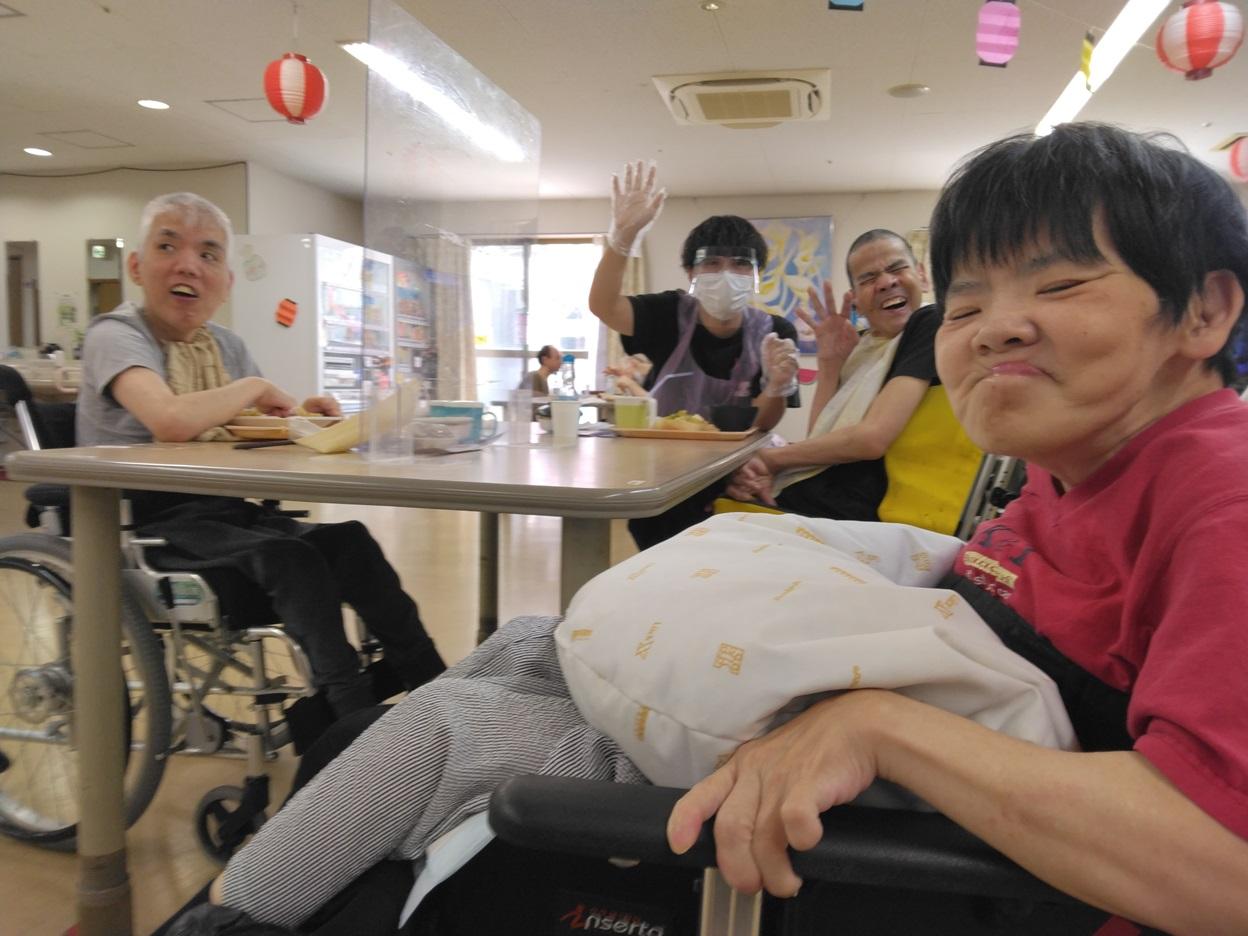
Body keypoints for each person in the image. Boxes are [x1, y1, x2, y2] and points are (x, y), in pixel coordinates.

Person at [171, 124, 1248, 936]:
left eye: (1060, 284)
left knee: (441, 742)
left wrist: (880, 726)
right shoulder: (1077, 476)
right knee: (522, 645)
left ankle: (234, 915)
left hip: (916, 854)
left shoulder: (1221, 495)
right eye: (966, 307)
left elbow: (1222, 862)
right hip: (894, 730)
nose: (997, 327)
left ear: (1204, 311)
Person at [79, 192, 445, 721]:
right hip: (148, 519)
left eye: (208, 254)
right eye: (168, 246)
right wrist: (254, 388)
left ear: (226, 280)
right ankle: (346, 712)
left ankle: (434, 685)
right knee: (292, 559)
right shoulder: (117, 335)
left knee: (351, 543)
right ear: (137, 266)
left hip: (221, 510)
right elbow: (172, 420)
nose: (188, 265)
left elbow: (248, 422)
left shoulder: (222, 345)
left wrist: (307, 418)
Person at [587, 161, 801, 546]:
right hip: (666, 481)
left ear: (756, 275)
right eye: (712, 263)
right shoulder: (667, 314)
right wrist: (623, 239)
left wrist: (778, 385)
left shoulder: (774, 332)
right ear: (690, 272)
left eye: (740, 264)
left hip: (737, 474)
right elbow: (604, 305)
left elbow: (764, 422)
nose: (725, 274)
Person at [724, 229, 980, 532]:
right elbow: (819, 437)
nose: (886, 282)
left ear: (922, 276)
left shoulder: (929, 323)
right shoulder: (863, 345)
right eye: (869, 278)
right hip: (821, 502)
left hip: (864, 518)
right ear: (855, 299)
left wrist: (772, 459)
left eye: (897, 268)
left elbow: (873, 439)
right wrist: (830, 363)